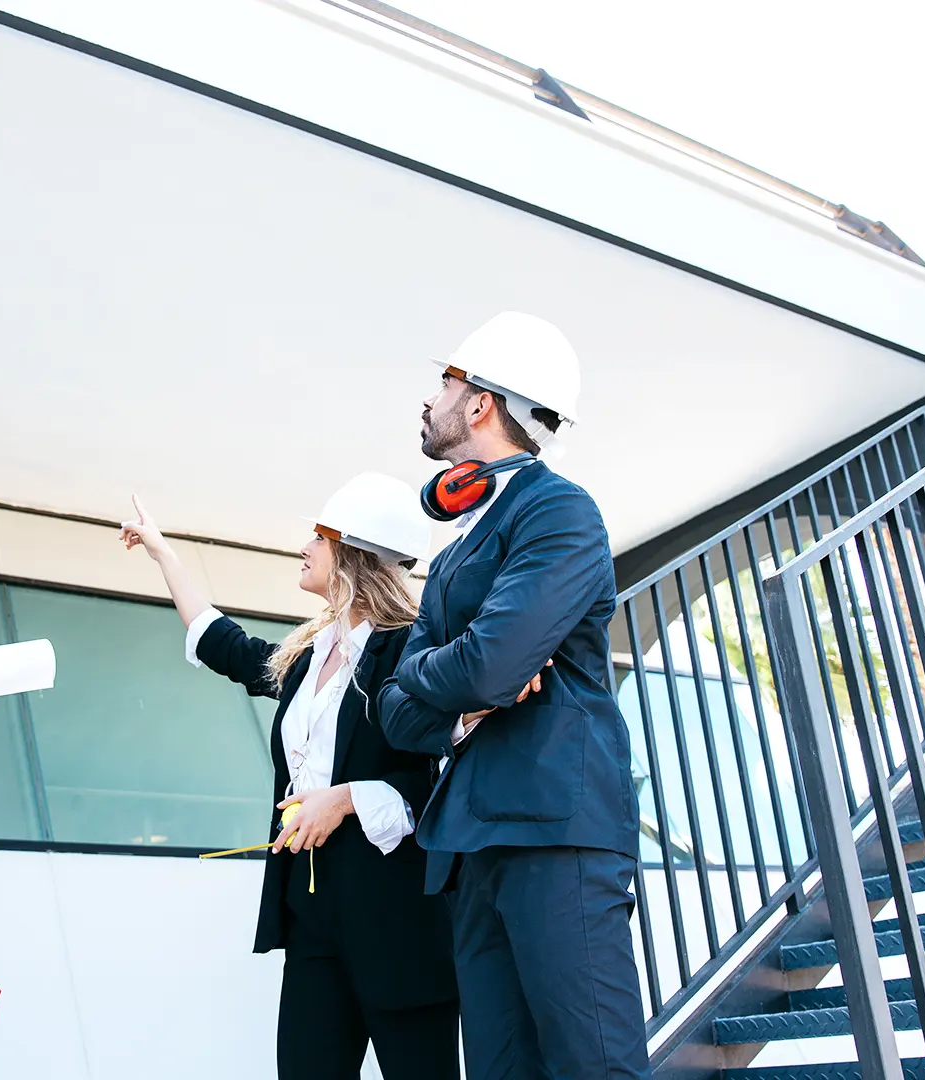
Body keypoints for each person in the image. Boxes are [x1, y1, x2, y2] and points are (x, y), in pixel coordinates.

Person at [379, 313, 649, 1078]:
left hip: (554, 831)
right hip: (472, 843)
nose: (429, 401)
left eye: (445, 383)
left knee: (592, 1063)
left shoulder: (558, 510)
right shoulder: (459, 543)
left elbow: (489, 666)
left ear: (480, 404)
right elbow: (399, 711)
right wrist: (454, 690)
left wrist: (449, 674)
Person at [120, 475, 460, 1080]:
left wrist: (348, 799)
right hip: (313, 912)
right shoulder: (308, 653)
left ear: (354, 554)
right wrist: (164, 554)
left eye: (320, 536)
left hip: (398, 920)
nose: (304, 546)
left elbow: (446, 776)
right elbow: (224, 645)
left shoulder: (412, 648)